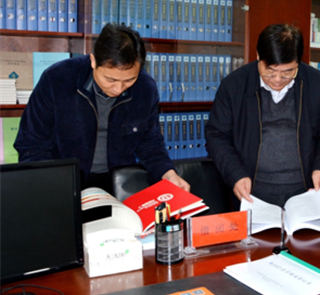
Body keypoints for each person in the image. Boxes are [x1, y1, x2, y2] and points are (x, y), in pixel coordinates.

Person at [15, 23, 190, 194]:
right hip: (64, 181)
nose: (118, 89)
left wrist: (167, 172)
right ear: (93, 61)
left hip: (119, 183)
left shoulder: (145, 88)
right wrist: (53, 185)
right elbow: (32, 145)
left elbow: (150, 142)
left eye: (129, 80)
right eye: (111, 80)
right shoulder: (57, 79)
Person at [205, 23, 320, 207]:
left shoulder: (315, 82)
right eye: (270, 71)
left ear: (298, 62)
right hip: (252, 191)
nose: (278, 80)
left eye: (287, 72)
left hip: (305, 190)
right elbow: (216, 136)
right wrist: (235, 174)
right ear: (258, 56)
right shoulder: (235, 85)